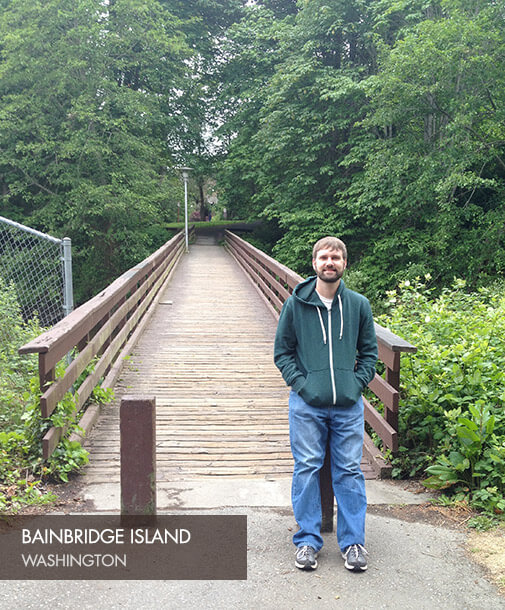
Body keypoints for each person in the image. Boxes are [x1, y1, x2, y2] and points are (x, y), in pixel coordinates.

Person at [274, 236, 377, 572]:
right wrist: (302, 385)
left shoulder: (359, 305)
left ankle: (353, 544)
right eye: (323, 257)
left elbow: (370, 353)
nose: (329, 263)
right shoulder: (296, 304)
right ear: (314, 263)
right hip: (307, 405)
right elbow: (282, 351)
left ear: (344, 263)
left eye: (335, 257)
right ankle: (307, 541)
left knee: (349, 471)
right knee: (307, 468)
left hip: (348, 405)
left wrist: (356, 383)